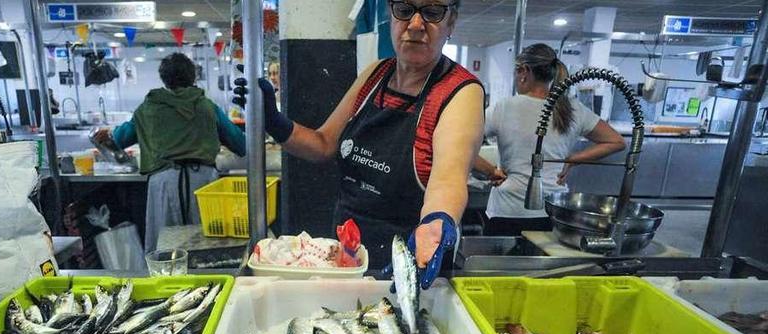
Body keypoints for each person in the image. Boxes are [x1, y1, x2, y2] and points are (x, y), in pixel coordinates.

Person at [236, 0, 488, 286]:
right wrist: (274, 122)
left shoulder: (460, 92)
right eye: (405, 10)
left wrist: (435, 224)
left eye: (432, 13)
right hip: (348, 258)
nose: (416, 25)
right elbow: (323, 144)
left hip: (408, 266)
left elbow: (447, 180)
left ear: (451, 22)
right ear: (390, 16)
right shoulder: (375, 75)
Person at [94, 53, 246, 253]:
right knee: (208, 245)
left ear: (164, 78)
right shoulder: (207, 107)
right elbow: (240, 144)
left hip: (164, 183)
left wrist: (106, 134)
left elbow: (119, 140)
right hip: (205, 186)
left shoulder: (148, 108)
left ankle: (167, 282)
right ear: (193, 77)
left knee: (166, 249)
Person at [475, 43, 625, 236]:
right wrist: (572, 160)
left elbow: (461, 147)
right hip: (554, 211)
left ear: (524, 71)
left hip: (508, 210)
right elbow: (616, 141)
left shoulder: (504, 107)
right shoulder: (573, 108)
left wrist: (490, 172)